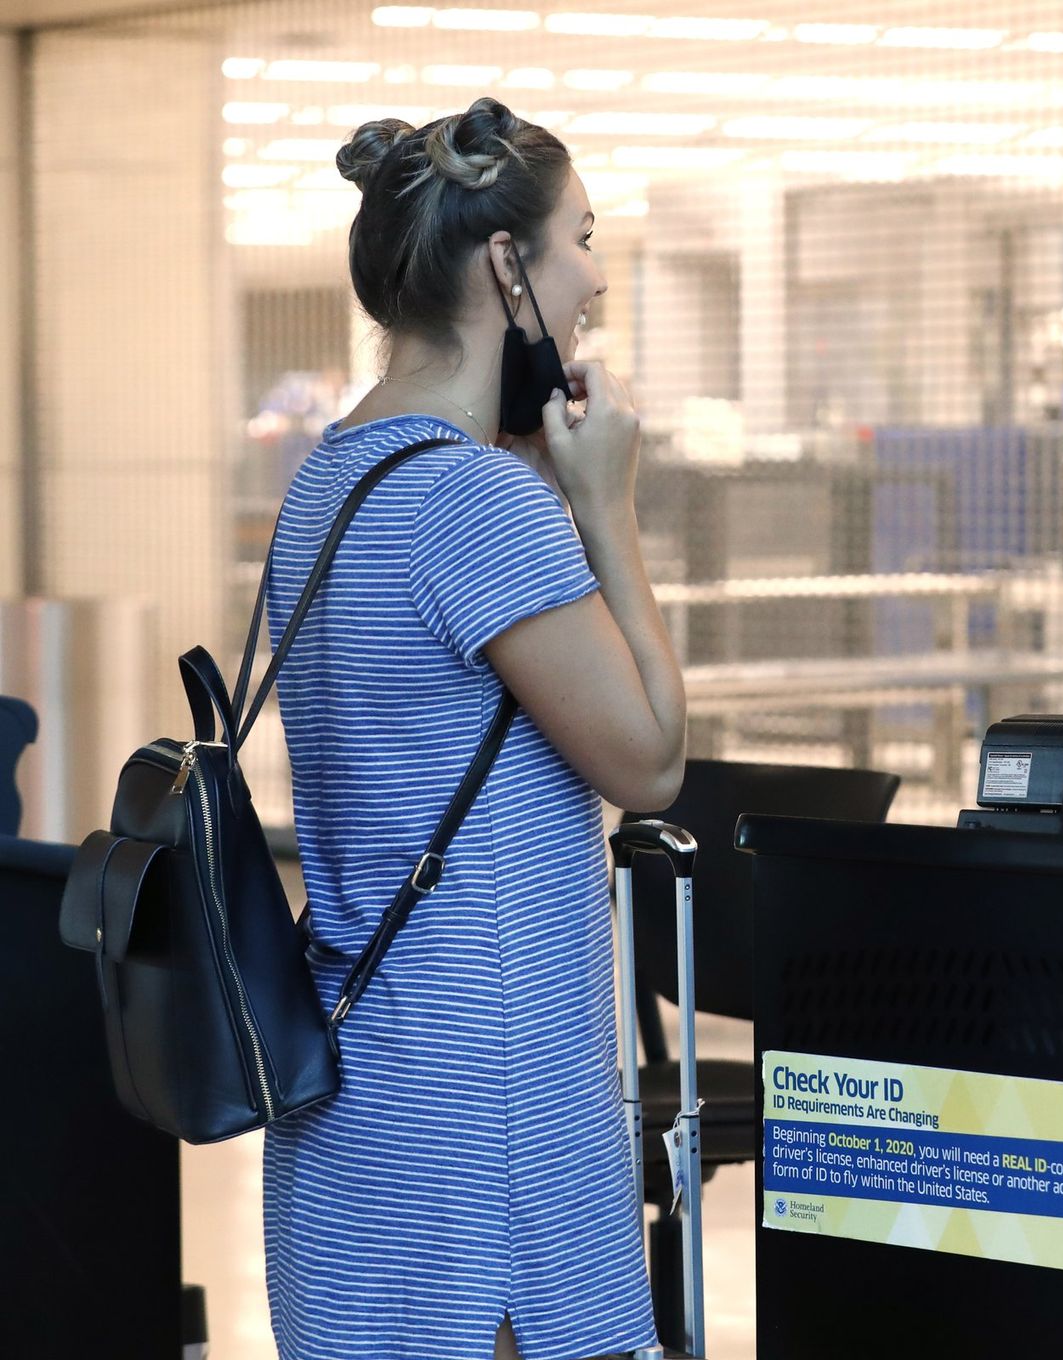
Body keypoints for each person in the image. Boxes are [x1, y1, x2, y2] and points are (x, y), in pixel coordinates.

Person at [261, 98, 687, 1360]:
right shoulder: (476, 502)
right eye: (582, 240)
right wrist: (605, 507)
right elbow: (652, 762)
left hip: (353, 1078)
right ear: (508, 264)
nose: (596, 275)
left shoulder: (330, 477)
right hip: (486, 1097)